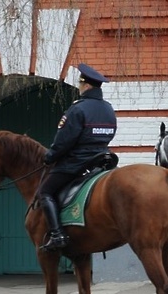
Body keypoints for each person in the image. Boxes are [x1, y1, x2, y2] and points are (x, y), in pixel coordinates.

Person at [38, 63, 117, 251]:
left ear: (87, 86)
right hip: (102, 160)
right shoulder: (108, 108)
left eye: (80, 85)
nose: (80, 88)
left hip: (77, 163)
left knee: (45, 192)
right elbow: (111, 133)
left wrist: (50, 157)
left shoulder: (77, 109)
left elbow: (64, 140)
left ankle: (57, 235)